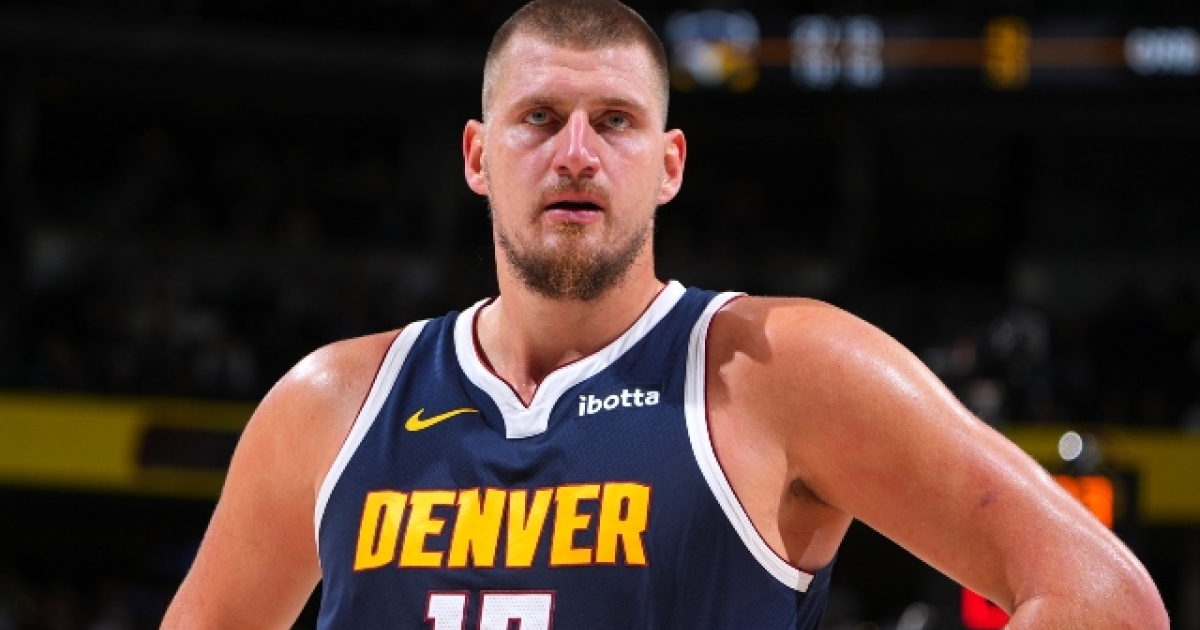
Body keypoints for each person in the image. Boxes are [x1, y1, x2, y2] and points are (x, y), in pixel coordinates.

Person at [160, 1, 1169, 628]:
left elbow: (1103, 601)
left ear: (669, 164)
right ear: (476, 156)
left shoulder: (779, 369)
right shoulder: (333, 404)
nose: (576, 154)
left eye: (615, 122)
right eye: (539, 119)